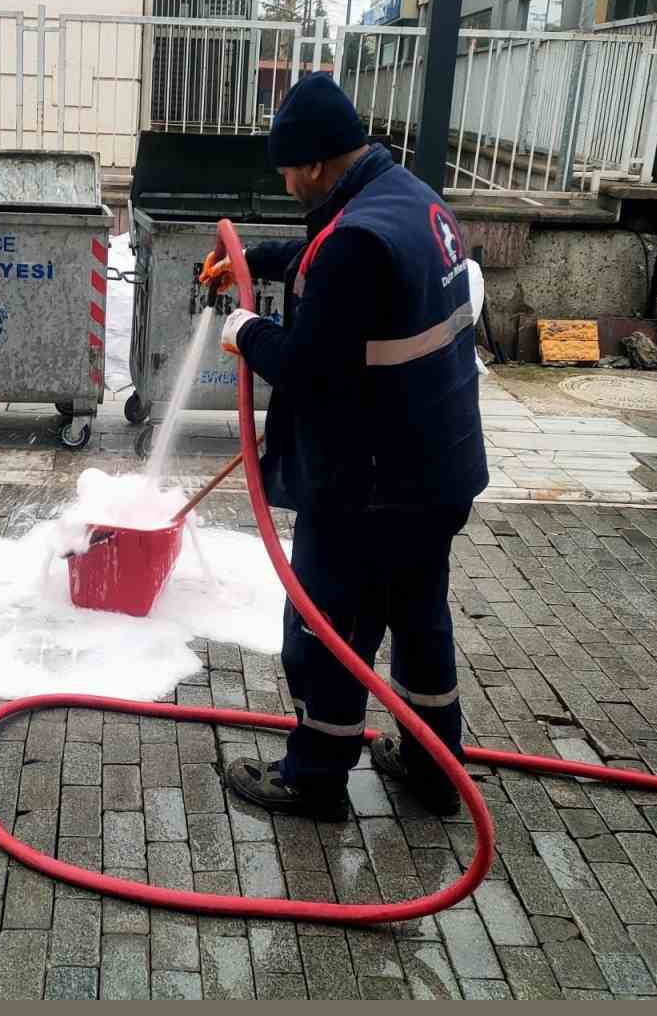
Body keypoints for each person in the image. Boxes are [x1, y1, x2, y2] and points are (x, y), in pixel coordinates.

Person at [200, 73, 488, 821]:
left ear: (319, 164)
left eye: (289, 169)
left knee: (327, 625)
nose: (288, 181)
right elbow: (339, 273)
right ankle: (433, 766)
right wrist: (255, 260)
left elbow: (311, 372)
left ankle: (316, 773)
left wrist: (244, 332)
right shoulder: (408, 198)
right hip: (438, 467)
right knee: (419, 617)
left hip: (370, 483)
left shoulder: (353, 240)